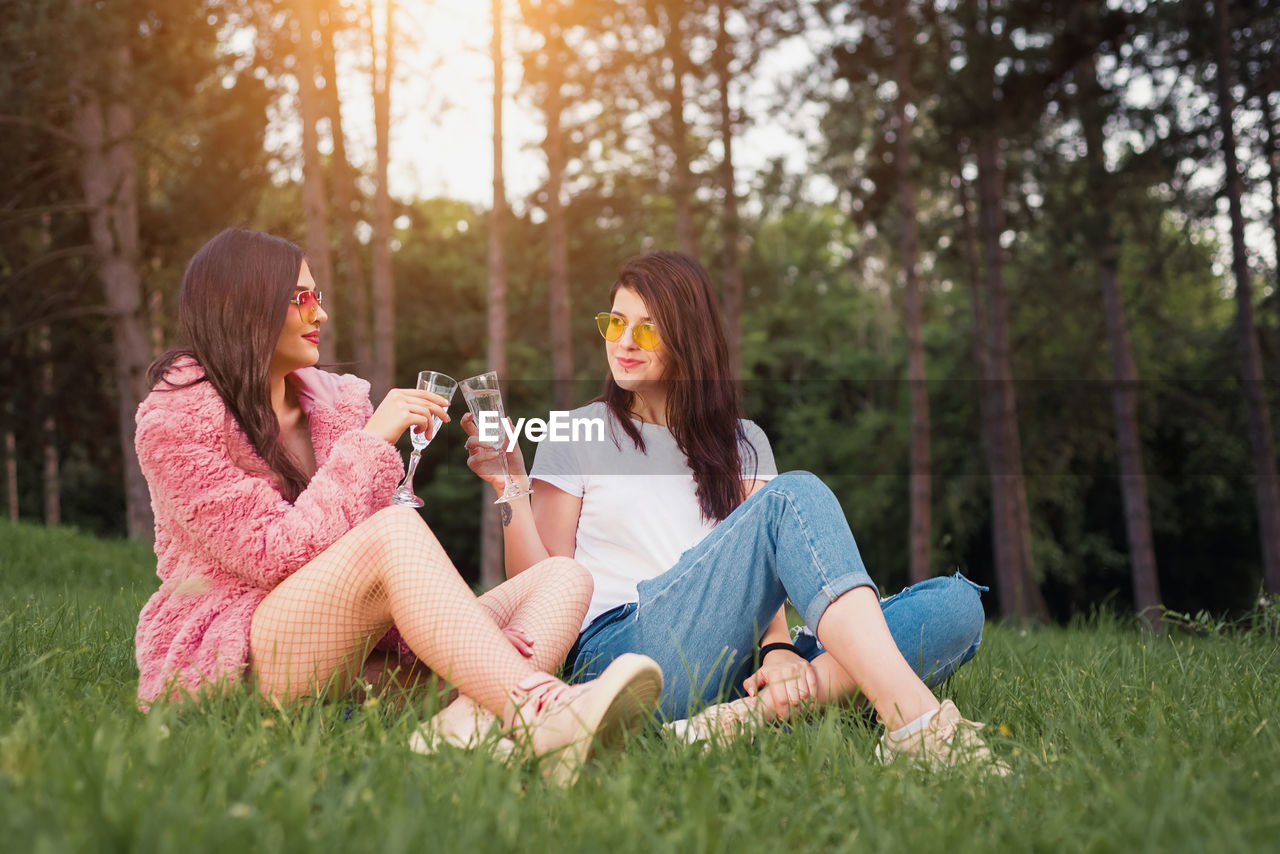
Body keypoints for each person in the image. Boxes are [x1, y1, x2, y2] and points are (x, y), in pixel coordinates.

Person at [132, 227, 661, 785]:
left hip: (359, 658)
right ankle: (542, 710)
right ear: (245, 305)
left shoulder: (333, 407)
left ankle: (459, 733)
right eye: (302, 299)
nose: (321, 315)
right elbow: (271, 555)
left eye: (319, 297)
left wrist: (466, 640)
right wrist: (371, 441)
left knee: (563, 577)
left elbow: (378, 581)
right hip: (243, 653)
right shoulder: (176, 424)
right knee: (393, 530)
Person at [462, 250, 1004, 770]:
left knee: (956, 607)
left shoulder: (743, 441)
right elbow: (543, 588)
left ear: (688, 339)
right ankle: (914, 725)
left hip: (739, 661)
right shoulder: (576, 431)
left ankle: (748, 714)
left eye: (646, 329)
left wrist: (778, 651)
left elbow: (761, 574)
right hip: (625, 652)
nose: (624, 342)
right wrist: (512, 489)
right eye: (615, 323)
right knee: (796, 495)